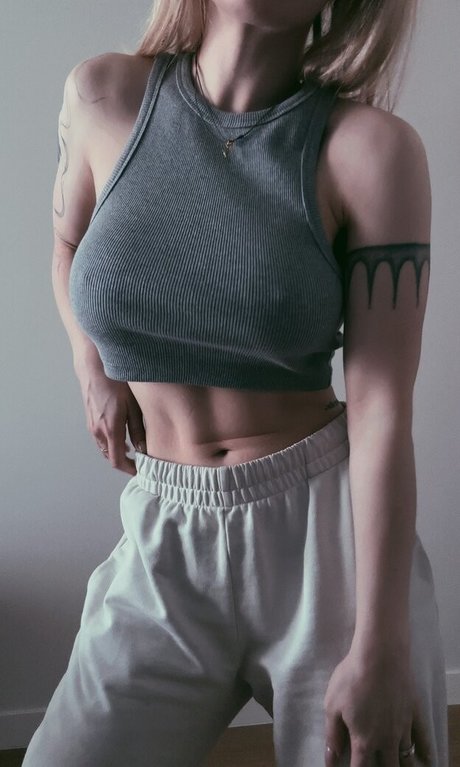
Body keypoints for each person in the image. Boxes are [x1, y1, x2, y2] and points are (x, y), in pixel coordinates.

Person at [23, 0, 449, 765]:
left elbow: (382, 409)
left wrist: (381, 643)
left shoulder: (371, 152)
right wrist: (93, 365)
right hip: (165, 531)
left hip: (327, 544)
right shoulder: (100, 96)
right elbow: (67, 244)